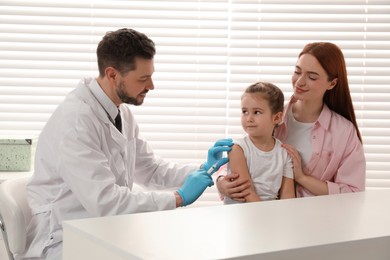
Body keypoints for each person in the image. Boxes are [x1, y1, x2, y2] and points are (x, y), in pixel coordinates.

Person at [20, 28, 233, 260]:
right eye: (143, 78)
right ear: (113, 75)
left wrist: (204, 169)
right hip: (64, 239)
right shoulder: (75, 122)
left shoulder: (119, 111)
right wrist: (178, 197)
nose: (151, 86)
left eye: (151, 75)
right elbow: (106, 202)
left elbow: (150, 169)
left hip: (102, 229)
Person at [217, 42, 366, 201]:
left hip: (316, 220)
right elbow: (246, 156)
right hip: (264, 217)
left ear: (332, 83)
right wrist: (221, 182)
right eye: (297, 71)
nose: (300, 81)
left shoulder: (343, 132)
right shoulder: (271, 116)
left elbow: (353, 193)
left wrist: (302, 178)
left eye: (312, 77)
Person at [224, 82, 295, 204]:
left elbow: (287, 196)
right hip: (241, 214)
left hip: (269, 214)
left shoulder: (284, 153)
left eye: (256, 112)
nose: (249, 118)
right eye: (245, 111)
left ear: (277, 118)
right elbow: (246, 191)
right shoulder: (237, 149)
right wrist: (267, 219)